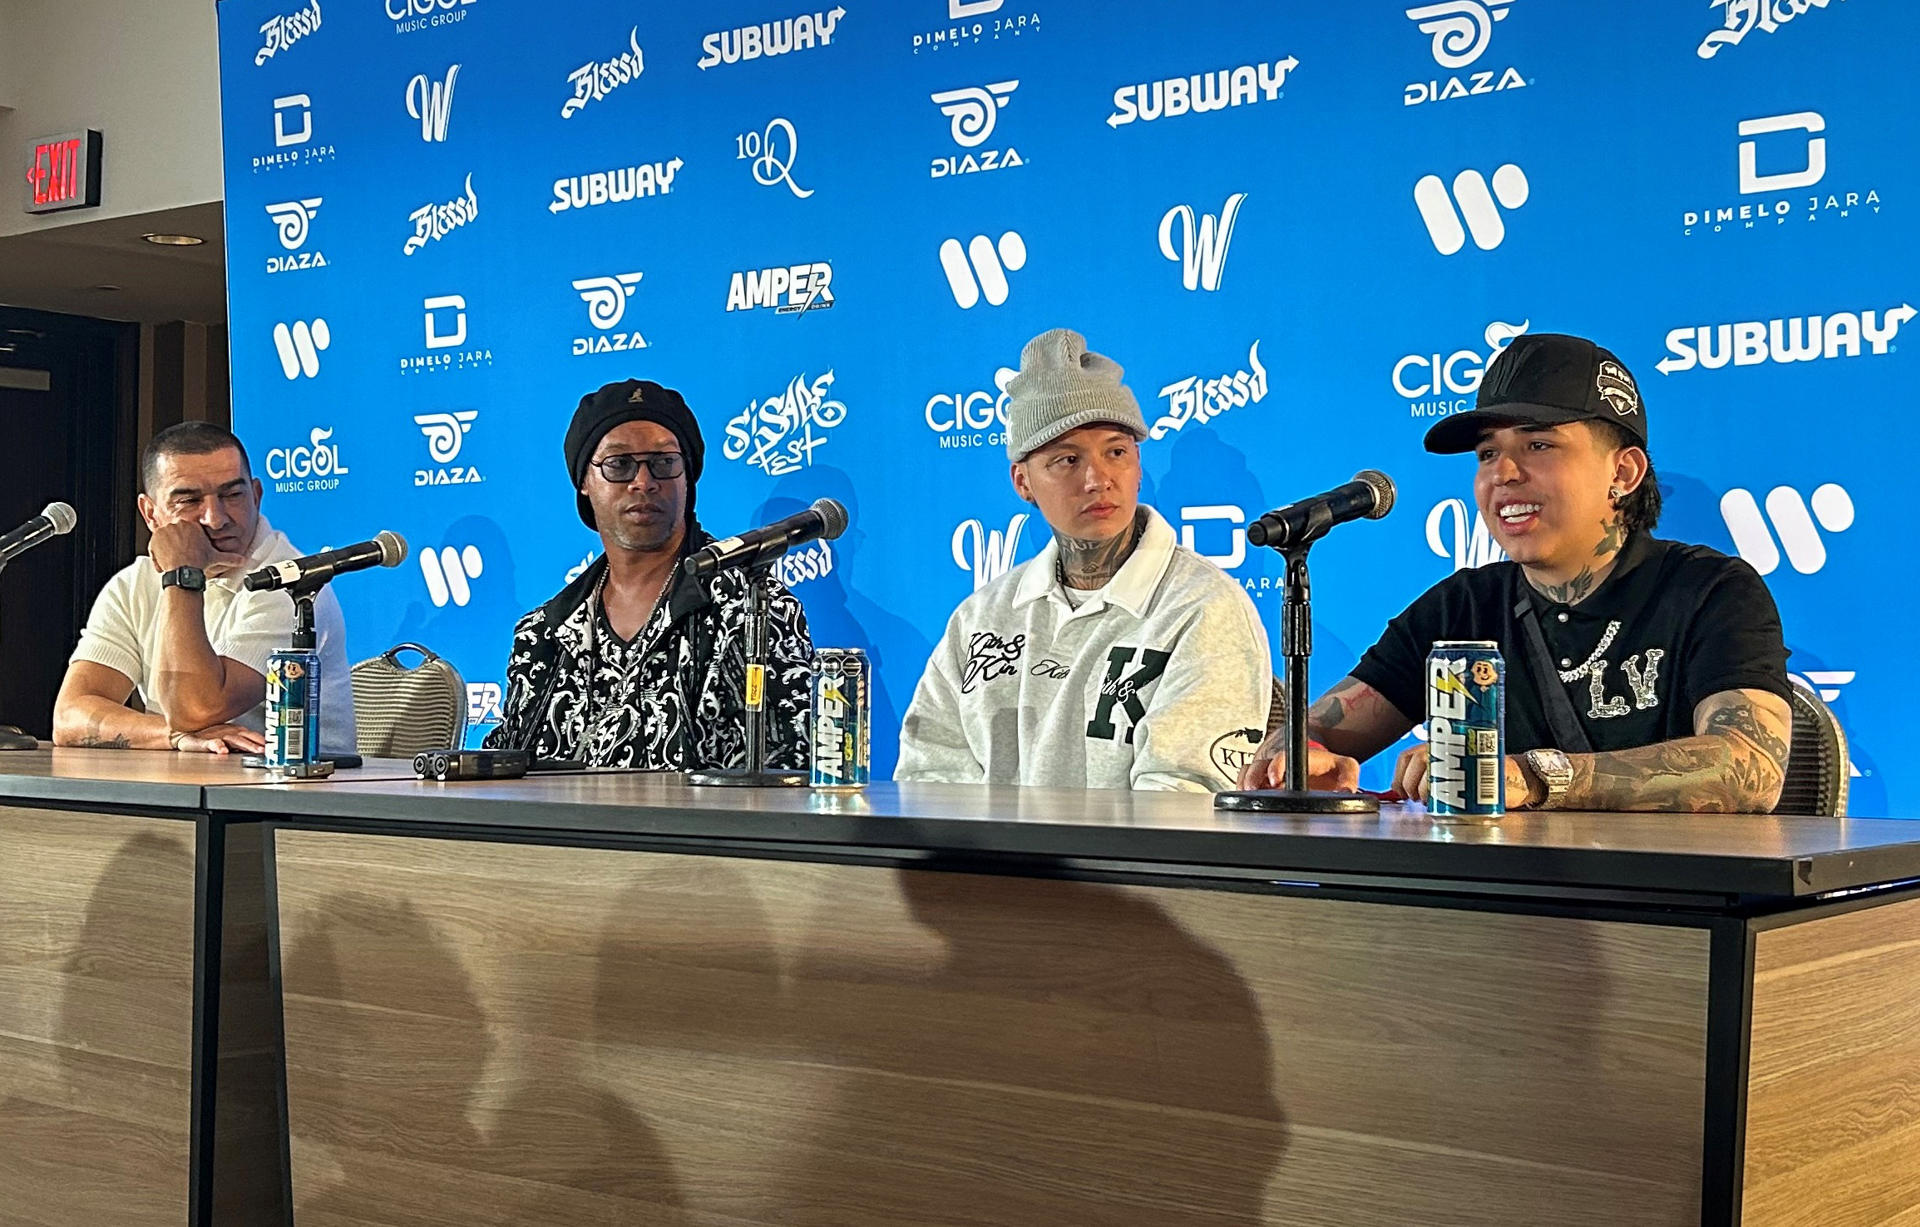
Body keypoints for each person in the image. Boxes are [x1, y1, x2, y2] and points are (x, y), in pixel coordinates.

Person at [1240, 333, 1793, 813]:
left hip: (1670, 910)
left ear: (1623, 471)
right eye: (1486, 454)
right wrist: (1302, 759)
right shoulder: (1463, 606)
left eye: (1539, 444)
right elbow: (1306, 733)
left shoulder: (1709, 591)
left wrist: (1534, 776)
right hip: (1506, 908)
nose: (1503, 473)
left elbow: (1750, 768)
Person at [896, 328, 1271, 791]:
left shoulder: (1202, 607)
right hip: (983, 864)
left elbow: (1185, 799)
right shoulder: (981, 617)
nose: (1098, 479)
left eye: (1116, 452)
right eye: (1067, 460)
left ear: (1137, 467)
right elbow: (927, 777)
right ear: (1023, 482)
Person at [485, 378, 812, 769]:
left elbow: (796, 767)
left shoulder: (752, 609)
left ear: (687, 478)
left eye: (663, 463)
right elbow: (505, 768)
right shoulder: (543, 633)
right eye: (619, 464)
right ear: (584, 483)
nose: (643, 482)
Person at [53, 422, 356, 754]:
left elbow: (195, 709)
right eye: (189, 500)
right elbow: (70, 717)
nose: (216, 517)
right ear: (151, 513)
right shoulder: (131, 585)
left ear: (256, 496)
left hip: (298, 794)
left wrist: (183, 574)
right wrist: (174, 736)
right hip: (185, 784)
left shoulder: (294, 585)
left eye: (232, 495)